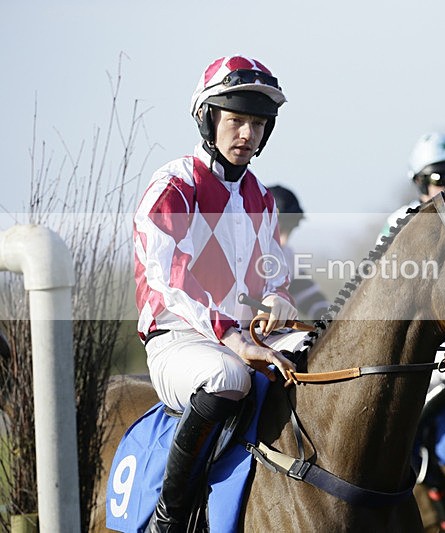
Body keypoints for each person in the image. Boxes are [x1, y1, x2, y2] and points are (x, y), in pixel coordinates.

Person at [133, 55, 299, 531]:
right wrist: (233, 337)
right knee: (230, 377)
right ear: (209, 120)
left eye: (258, 124)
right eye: (236, 120)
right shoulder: (173, 185)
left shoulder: (261, 197)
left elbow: (274, 269)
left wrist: (278, 299)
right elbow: (172, 278)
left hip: (244, 336)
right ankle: (171, 516)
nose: (247, 134)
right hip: (179, 340)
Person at [380, 132, 445, 525]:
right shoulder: (401, 222)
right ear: (421, 184)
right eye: (440, 179)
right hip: (415, 341)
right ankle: (409, 447)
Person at [267, 185, 331, 320]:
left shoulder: (287, 255)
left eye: (291, 229)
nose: (284, 240)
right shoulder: (244, 254)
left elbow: (310, 298)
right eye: (282, 227)